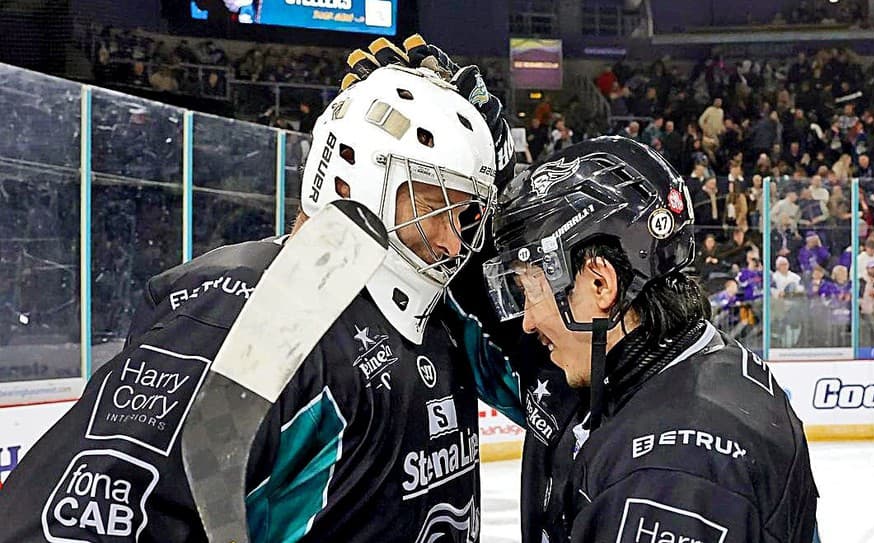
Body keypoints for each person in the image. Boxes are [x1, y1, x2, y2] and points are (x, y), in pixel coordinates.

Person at [0, 49, 513, 542]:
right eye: (434, 206)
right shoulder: (251, 317)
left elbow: (561, 388)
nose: (452, 242)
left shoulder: (440, 319)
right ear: (354, 180)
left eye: (464, 216)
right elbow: (72, 523)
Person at [483, 136, 818, 542]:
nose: (528, 321)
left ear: (600, 283)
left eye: (530, 291)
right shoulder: (705, 359)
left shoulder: (664, 479)